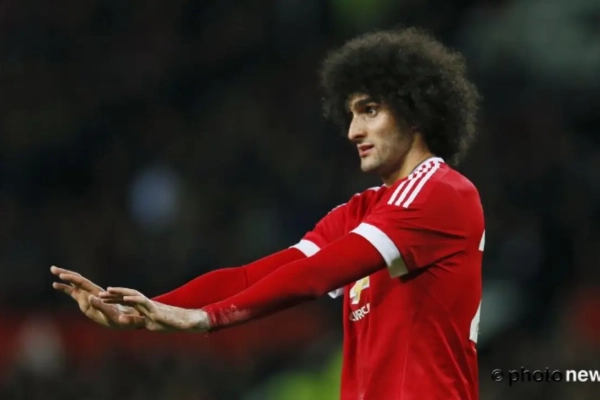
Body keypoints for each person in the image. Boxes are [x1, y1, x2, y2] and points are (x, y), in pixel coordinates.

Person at [52, 27, 483, 400]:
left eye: (369, 110)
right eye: (351, 114)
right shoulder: (360, 211)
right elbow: (251, 277)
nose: (354, 131)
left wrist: (206, 318)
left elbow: (317, 275)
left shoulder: (440, 193)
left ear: (414, 111)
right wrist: (143, 313)